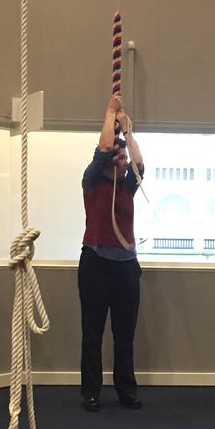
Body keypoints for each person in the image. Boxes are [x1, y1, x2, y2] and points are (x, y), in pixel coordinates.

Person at [78, 92, 144, 412]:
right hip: (95, 263)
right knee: (92, 332)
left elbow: (140, 162)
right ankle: (91, 392)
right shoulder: (93, 181)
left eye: (123, 158)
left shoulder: (129, 184)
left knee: (124, 334)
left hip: (126, 267)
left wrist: (127, 130)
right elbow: (104, 148)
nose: (123, 161)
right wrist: (109, 113)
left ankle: (125, 389)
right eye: (117, 158)